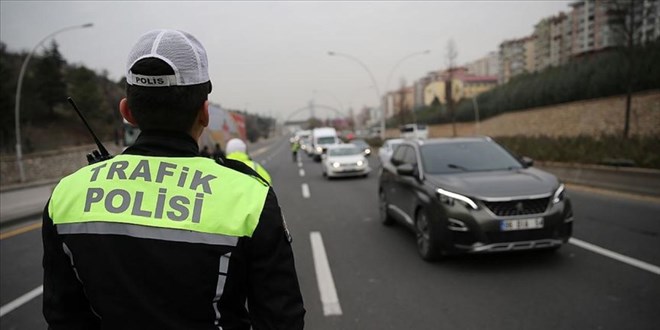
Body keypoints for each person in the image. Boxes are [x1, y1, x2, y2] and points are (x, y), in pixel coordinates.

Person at [42, 29, 305, 330]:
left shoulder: (67, 196)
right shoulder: (250, 197)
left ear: (127, 111)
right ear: (204, 113)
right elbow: (282, 320)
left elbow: (63, 318)